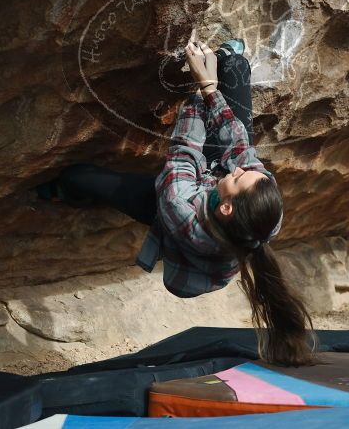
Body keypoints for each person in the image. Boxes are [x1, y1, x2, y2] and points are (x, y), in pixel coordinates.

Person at [39, 30, 315, 366]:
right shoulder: (265, 211)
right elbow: (241, 149)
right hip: (208, 187)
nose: (242, 170)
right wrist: (212, 87)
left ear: (227, 207)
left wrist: (200, 87)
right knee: (237, 66)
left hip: (173, 209)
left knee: (78, 177)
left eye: (241, 177)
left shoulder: (177, 206)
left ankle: (58, 192)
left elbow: (185, 149)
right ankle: (225, 56)